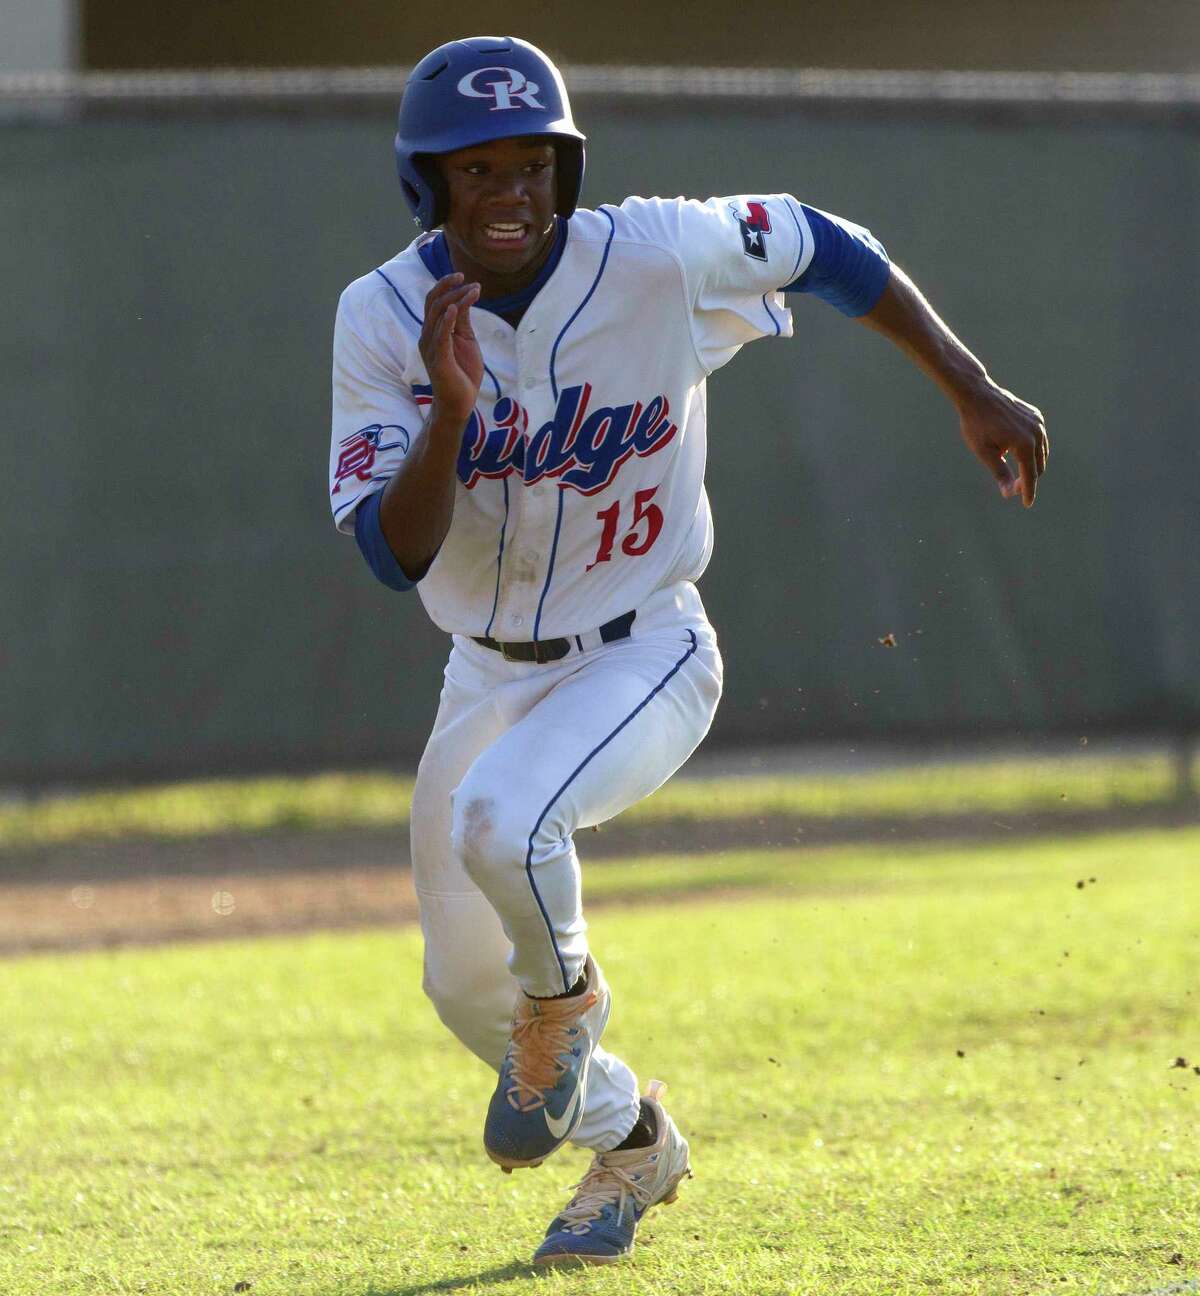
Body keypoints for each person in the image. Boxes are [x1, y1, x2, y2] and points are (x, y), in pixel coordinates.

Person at [328, 36, 1048, 1268]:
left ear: (567, 172)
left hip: (644, 648)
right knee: (460, 989)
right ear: (428, 185)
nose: (509, 192)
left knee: (504, 824)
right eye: (476, 168)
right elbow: (393, 555)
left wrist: (969, 383)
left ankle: (565, 1006)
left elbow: (824, 241)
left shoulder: (654, 247)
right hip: (485, 670)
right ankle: (635, 1138)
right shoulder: (382, 315)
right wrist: (450, 411)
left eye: (534, 166)